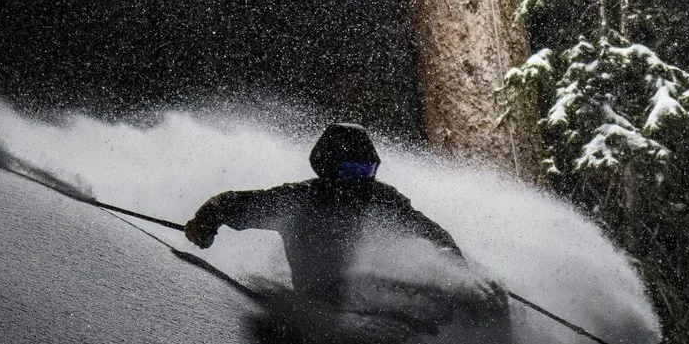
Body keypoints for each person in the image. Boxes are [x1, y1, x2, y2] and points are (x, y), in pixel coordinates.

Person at [184, 124, 478, 313]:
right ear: (329, 169)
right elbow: (232, 204)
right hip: (319, 303)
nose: (361, 181)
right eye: (352, 172)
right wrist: (205, 222)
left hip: (375, 300)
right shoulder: (299, 201)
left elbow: (428, 231)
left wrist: (458, 272)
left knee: (429, 298)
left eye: (367, 172)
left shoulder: (382, 199)